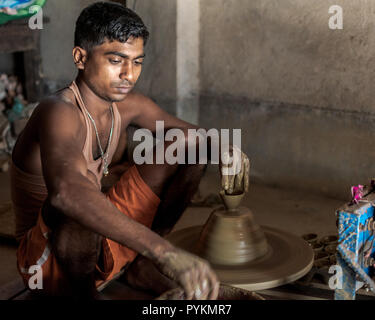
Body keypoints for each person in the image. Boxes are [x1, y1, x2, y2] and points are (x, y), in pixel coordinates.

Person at [11, 2, 250, 300]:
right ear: (80, 57)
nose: (128, 74)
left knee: (190, 147)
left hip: (97, 243)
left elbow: (195, 136)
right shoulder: (57, 110)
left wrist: (227, 150)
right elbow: (67, 194)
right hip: (48, 263)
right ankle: (82, 294)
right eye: (116, 60)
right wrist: (166, 252)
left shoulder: (129, 105)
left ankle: (140, 264)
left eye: (137, 62)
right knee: (80, 194)